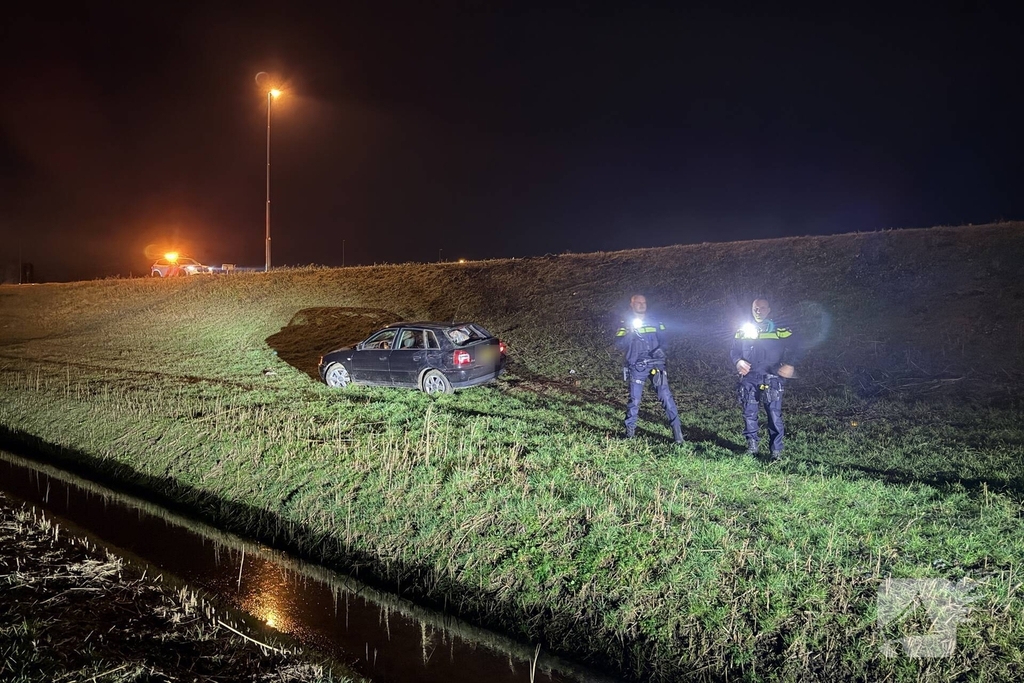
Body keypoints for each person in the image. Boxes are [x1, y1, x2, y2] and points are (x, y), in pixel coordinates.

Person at [730, 298, 798, 462]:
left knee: (774, 416)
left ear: (769, 309)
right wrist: (738, 361)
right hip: (749, 378)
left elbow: (796, 346)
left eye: (762, 308)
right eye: (755, 308)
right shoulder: (743, 329)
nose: (758, 311)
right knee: (749, 414)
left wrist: (790, 364)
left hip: (772, 377)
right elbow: (734, 350)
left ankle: (776, 452)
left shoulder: (780, 329)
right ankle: (752, 447)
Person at [615, 294, 685, 444]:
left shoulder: (655, 320)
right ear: (631, 305)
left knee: (666, 397)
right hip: (637, 365)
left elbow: (666, 338)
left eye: (644, 302)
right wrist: (629, 331)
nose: (642, 305)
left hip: (656, 364)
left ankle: (678, 435)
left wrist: (661, 350)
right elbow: (620, 343)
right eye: (638, 302)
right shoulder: (625, 323)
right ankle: (629, 433)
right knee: (635, 400)